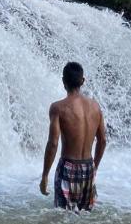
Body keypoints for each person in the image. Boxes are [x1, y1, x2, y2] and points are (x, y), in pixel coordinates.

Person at [39, 61, 107, 212]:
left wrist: (45, 175)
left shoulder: (58, 108)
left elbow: (53, 143)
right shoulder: (95, 107)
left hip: (68, 168)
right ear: (83, 81)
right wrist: (94, 166)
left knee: (63, 217)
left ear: (63, 81)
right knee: (85, 216)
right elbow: (102, 141)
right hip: (88, 167)